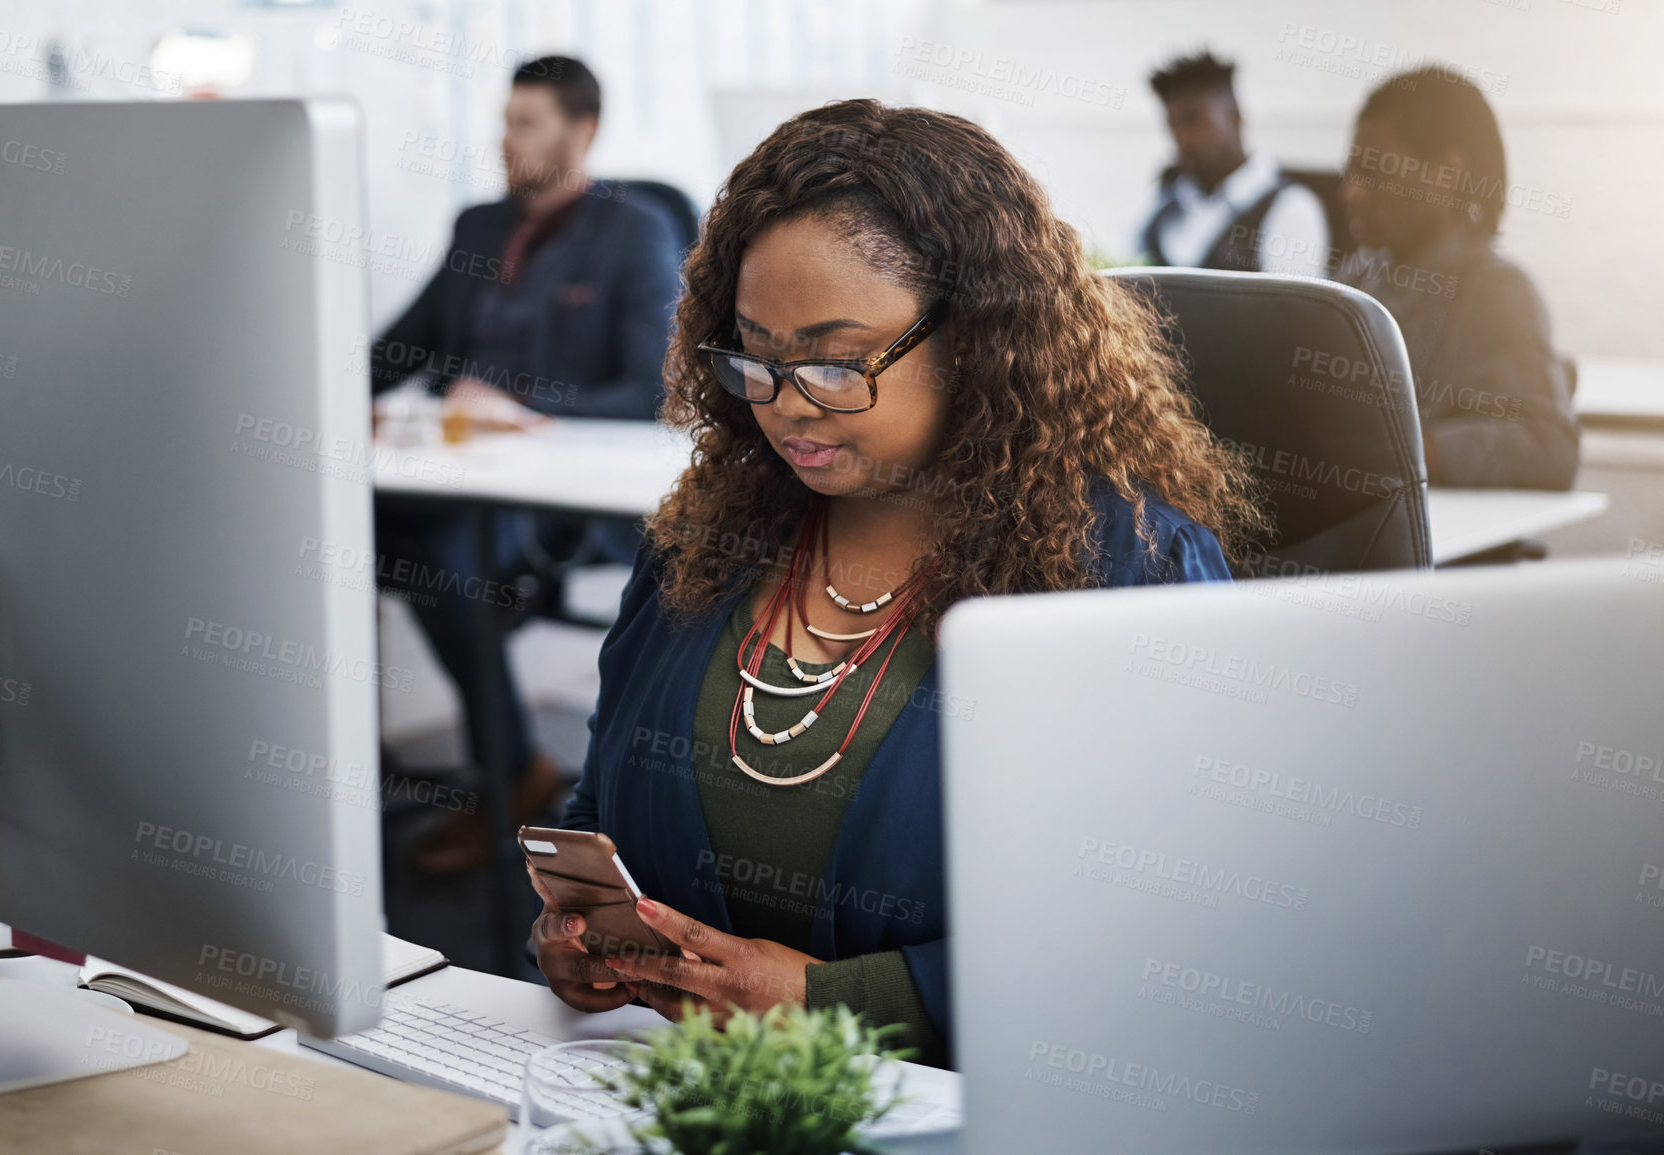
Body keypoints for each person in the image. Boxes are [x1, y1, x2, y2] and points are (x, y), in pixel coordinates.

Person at [528, 99, 1270, 1068]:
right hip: (672, 1097)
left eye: (836, 364)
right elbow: (598, 818)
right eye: (754, 355)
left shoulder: (1130, 576)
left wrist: (836, 1003)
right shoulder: (701, 543)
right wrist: (574, 937)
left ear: (973, 335)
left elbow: (1185, 933)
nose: (785, 407)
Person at [371, 56, 685, 874]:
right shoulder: (479, 225)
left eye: (526, 123)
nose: (504, 141)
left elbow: (654, 387)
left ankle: (509, 776)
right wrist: (322, 392)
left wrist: (526, 407)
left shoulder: (633, 230)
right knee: (357, 528)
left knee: (443, 558)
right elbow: (402, 344)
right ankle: (389, 778)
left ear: (582, 131)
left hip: (551, 492)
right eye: (504, 121)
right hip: (449, 471)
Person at [1336, 68, 1579, 490]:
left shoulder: (1496, 289)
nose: (1352, 193)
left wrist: (1401, 452)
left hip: (1450, 547)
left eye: (1374, 173)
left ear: (1446, 175)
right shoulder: (1355, 276)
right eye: (1351, 172)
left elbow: (1549, 445)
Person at [1137, 51, 1331, 277]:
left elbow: (1291, 310)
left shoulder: (1290, 208)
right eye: (1172, 126)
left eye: (1193, 120)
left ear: (1235, 115)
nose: (1182, 139)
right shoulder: (1163, 202)